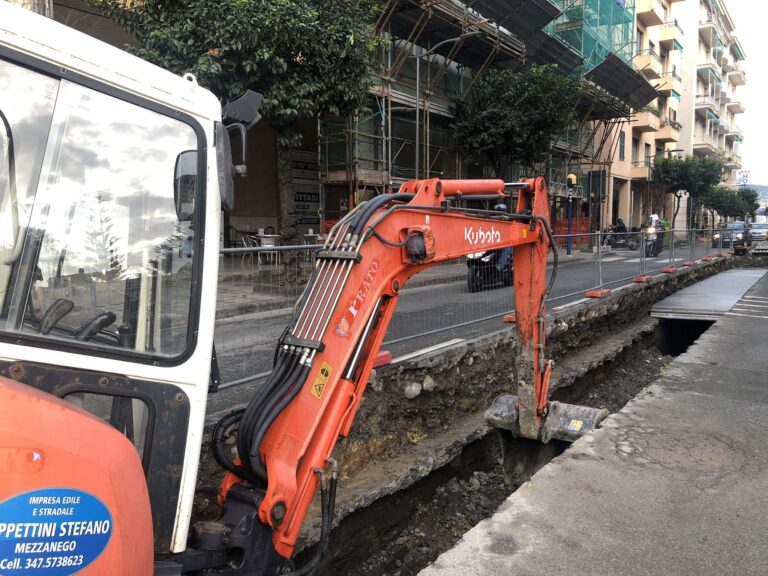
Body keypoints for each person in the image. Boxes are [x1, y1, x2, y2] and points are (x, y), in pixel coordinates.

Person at [494, 203, 512, 271]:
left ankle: (500, 265)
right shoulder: (495, 220)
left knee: (507, 249)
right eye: (497, 211)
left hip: (507, 242)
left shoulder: (507, 219)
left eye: (499, 211)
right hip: (497, 241)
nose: (498, 213)